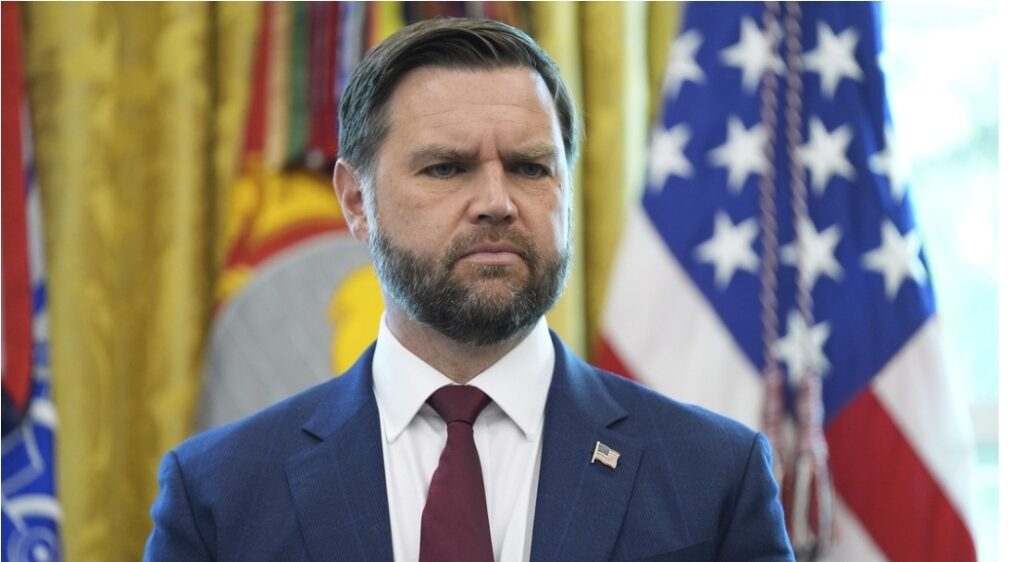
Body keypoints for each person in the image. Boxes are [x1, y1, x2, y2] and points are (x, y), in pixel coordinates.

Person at [144, 17, 794, 562]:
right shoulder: (219, 494)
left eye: (530, 167)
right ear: (356, 202)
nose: (496, 201)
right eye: (446, 168)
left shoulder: (714, 475)